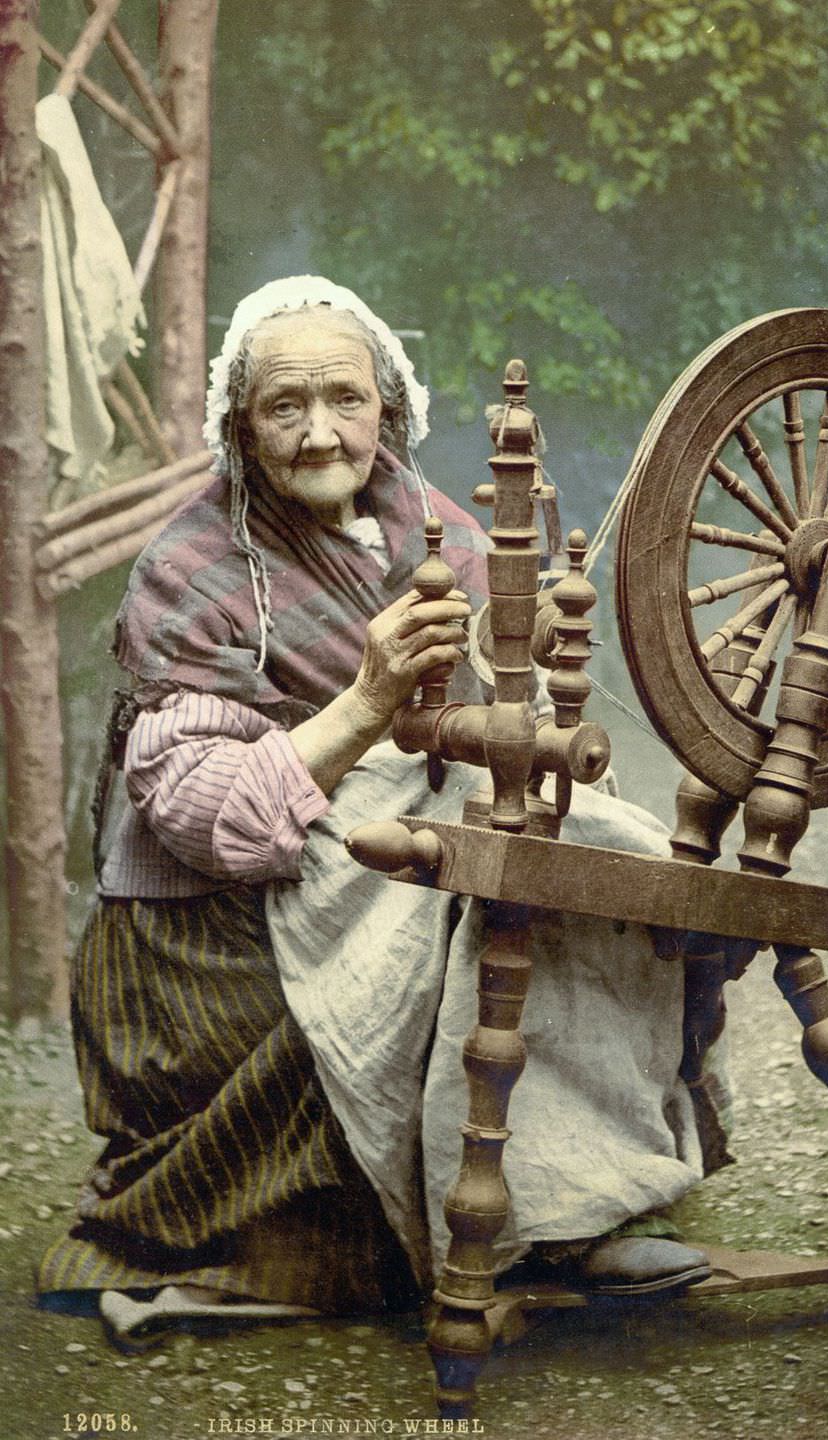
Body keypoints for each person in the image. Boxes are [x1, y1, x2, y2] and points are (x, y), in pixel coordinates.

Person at [39, 277, 728, 1348]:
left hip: (359, 842)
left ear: (388, 407)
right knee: (458, 912)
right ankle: (522, 1226)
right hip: (205, 932)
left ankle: (582, 1191)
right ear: (240, 426)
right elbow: (202, 819)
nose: (321, 435)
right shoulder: (191, 568)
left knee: (594, 855)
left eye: (345, 400)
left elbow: (483, 700)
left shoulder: (417, 513)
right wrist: (365, 702)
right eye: (285, 407)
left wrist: (527, 641)